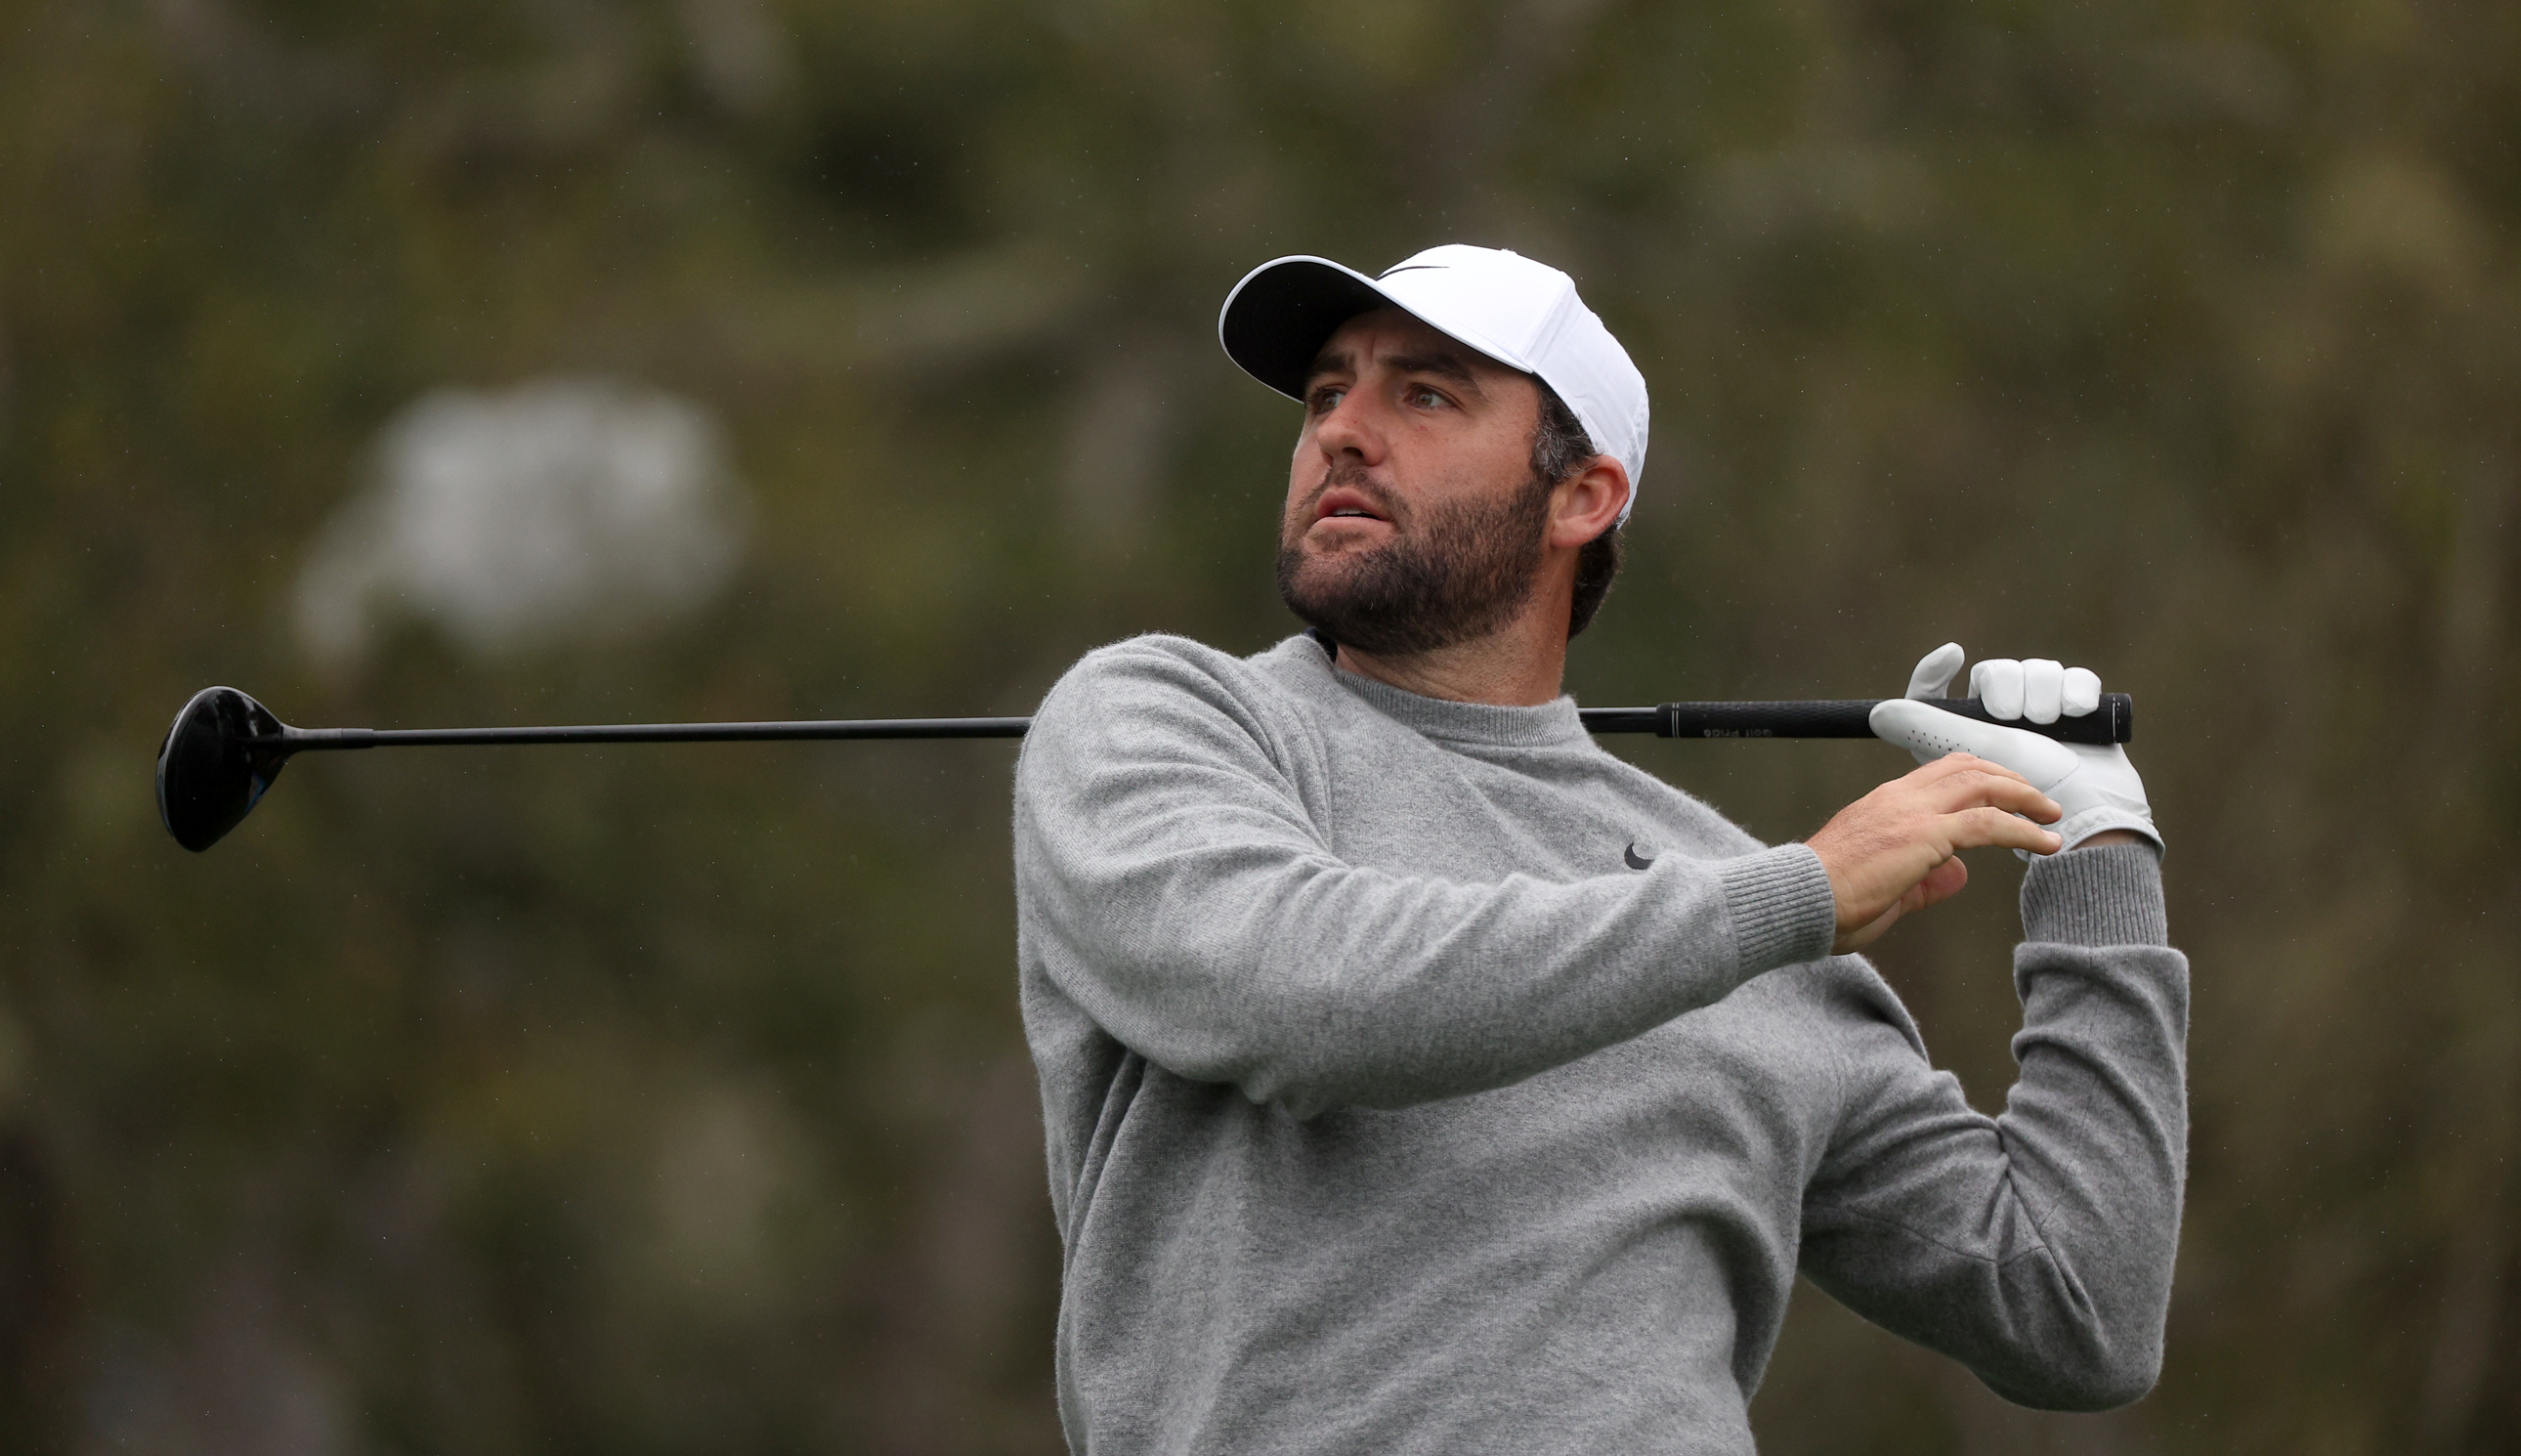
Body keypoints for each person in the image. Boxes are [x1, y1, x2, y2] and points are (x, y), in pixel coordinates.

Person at [1011, 244, 2184, 1454]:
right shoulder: (1168, 721)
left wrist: (2099, 851)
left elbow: (2075, 1311)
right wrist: (1793, 892)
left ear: (1584, 495)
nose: (1342, 433)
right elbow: (1296, 992)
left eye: (1423, 394)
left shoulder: (1764, 926)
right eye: (1325, 393)